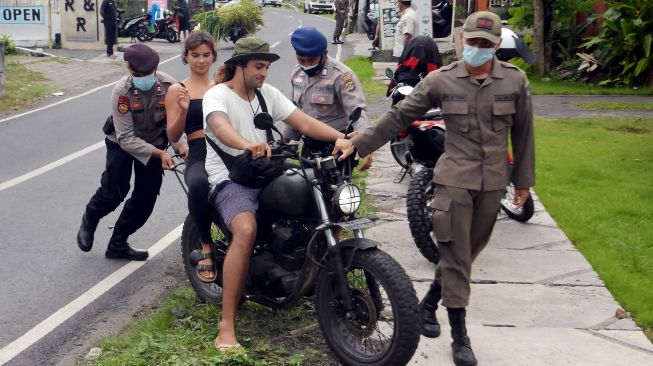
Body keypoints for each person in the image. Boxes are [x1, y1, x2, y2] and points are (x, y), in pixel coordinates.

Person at [333, 11, 535, 366]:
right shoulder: (443, 80)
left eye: (485, 44)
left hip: (493, 185)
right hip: (454, 179)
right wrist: (360, 144)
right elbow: (399, 115)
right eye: (472, 42)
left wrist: (523, 183)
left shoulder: (515, 82)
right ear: (461, 40)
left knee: (465, 254)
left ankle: (428, 303)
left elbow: (523, 134)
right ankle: (459, 335)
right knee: (456, 256)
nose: (477, 49)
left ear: (497, 45)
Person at [203, 37, 345, 351]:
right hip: (231, 178)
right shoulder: (217, 95)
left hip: (266, 172)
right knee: (246, 229)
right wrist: (246, 144)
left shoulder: (268, 95)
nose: (264, 73)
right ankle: (227, 324)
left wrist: (344, 139)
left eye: (266, 67)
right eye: (258, 66)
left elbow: (304, 121)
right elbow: (220, 125)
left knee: (313, 199)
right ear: (239, 66)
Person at [76, 44, 186, 261]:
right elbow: (126, 138)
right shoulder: (122, 92)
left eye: (147, 74)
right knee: (114, 192)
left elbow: (172, 124)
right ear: (129, 69)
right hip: (122, 145)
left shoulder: (169, 86)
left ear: (155, 69)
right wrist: (160, 153)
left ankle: (118, 242)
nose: (143, 78)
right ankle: (91, 216)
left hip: (155, 142)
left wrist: (180, 146)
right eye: (137, 74)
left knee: (146, 198)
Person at [165, 32, 217, 281]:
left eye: (206, 55)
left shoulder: (221, 86)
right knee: (197, 184)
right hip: (198, 149)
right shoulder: (178, 90)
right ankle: (206, 245)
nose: (201, 60)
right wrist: (184, 112)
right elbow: (173, 134)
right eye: (195, 55)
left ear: (213, 57)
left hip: (225, 148)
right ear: (186, 56)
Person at [286, 27, 372, 170]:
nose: (306, 65)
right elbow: (293, 110)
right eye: (301, 60)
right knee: (307, 188)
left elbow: (358, 110)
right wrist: (285, 140)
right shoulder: (297, 74)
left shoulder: (341, 75)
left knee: (336, 191)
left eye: (311, 61)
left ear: (324, 54)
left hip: (336, 146)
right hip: (309, 146)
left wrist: (365, 145)